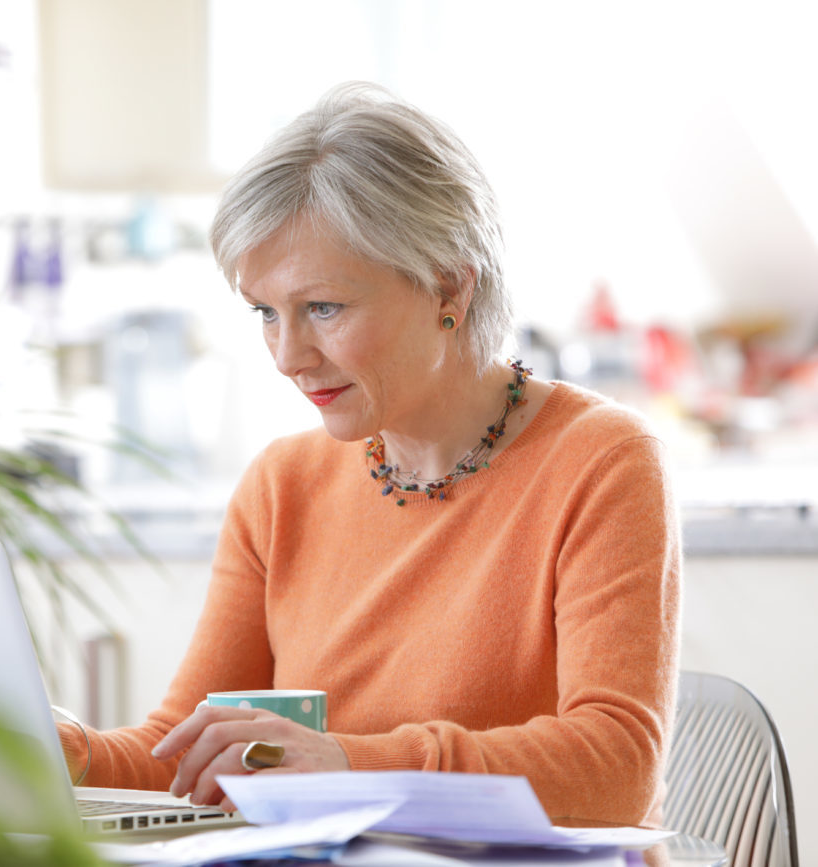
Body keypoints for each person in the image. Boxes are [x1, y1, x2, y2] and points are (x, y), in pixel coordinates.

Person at [58, 81, 680, 828]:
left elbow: (616, 769)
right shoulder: (281, 488)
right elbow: (184, 752)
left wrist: (346, 764)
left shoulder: (601, 460)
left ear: (448, 283)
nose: (289, 356)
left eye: (323, 307)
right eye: (265, 312)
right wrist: (60, 750)